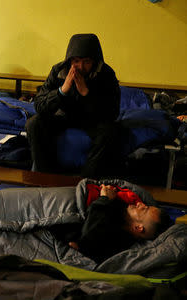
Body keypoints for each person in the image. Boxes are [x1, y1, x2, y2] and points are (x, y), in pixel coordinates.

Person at [26, 33, 121, 177]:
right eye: (76, 61)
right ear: (70, 60)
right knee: (33, 123)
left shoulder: (106, 74)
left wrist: (86, 93)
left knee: (110, 132)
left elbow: (112, 113)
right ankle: (44, 177)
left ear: (94, 61)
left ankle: (85, 180)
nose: (81, 67)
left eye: (87, 62)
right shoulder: (59, 71)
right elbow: (39, 105)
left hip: (92, 121)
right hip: (64, 117)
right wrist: (62, 91)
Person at [68, 184, 172, 263]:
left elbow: (87, 238)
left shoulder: (113, 243)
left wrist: (104, 199)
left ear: (138, 227)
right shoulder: (122, 211)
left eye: (144, 209)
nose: (140, 203)